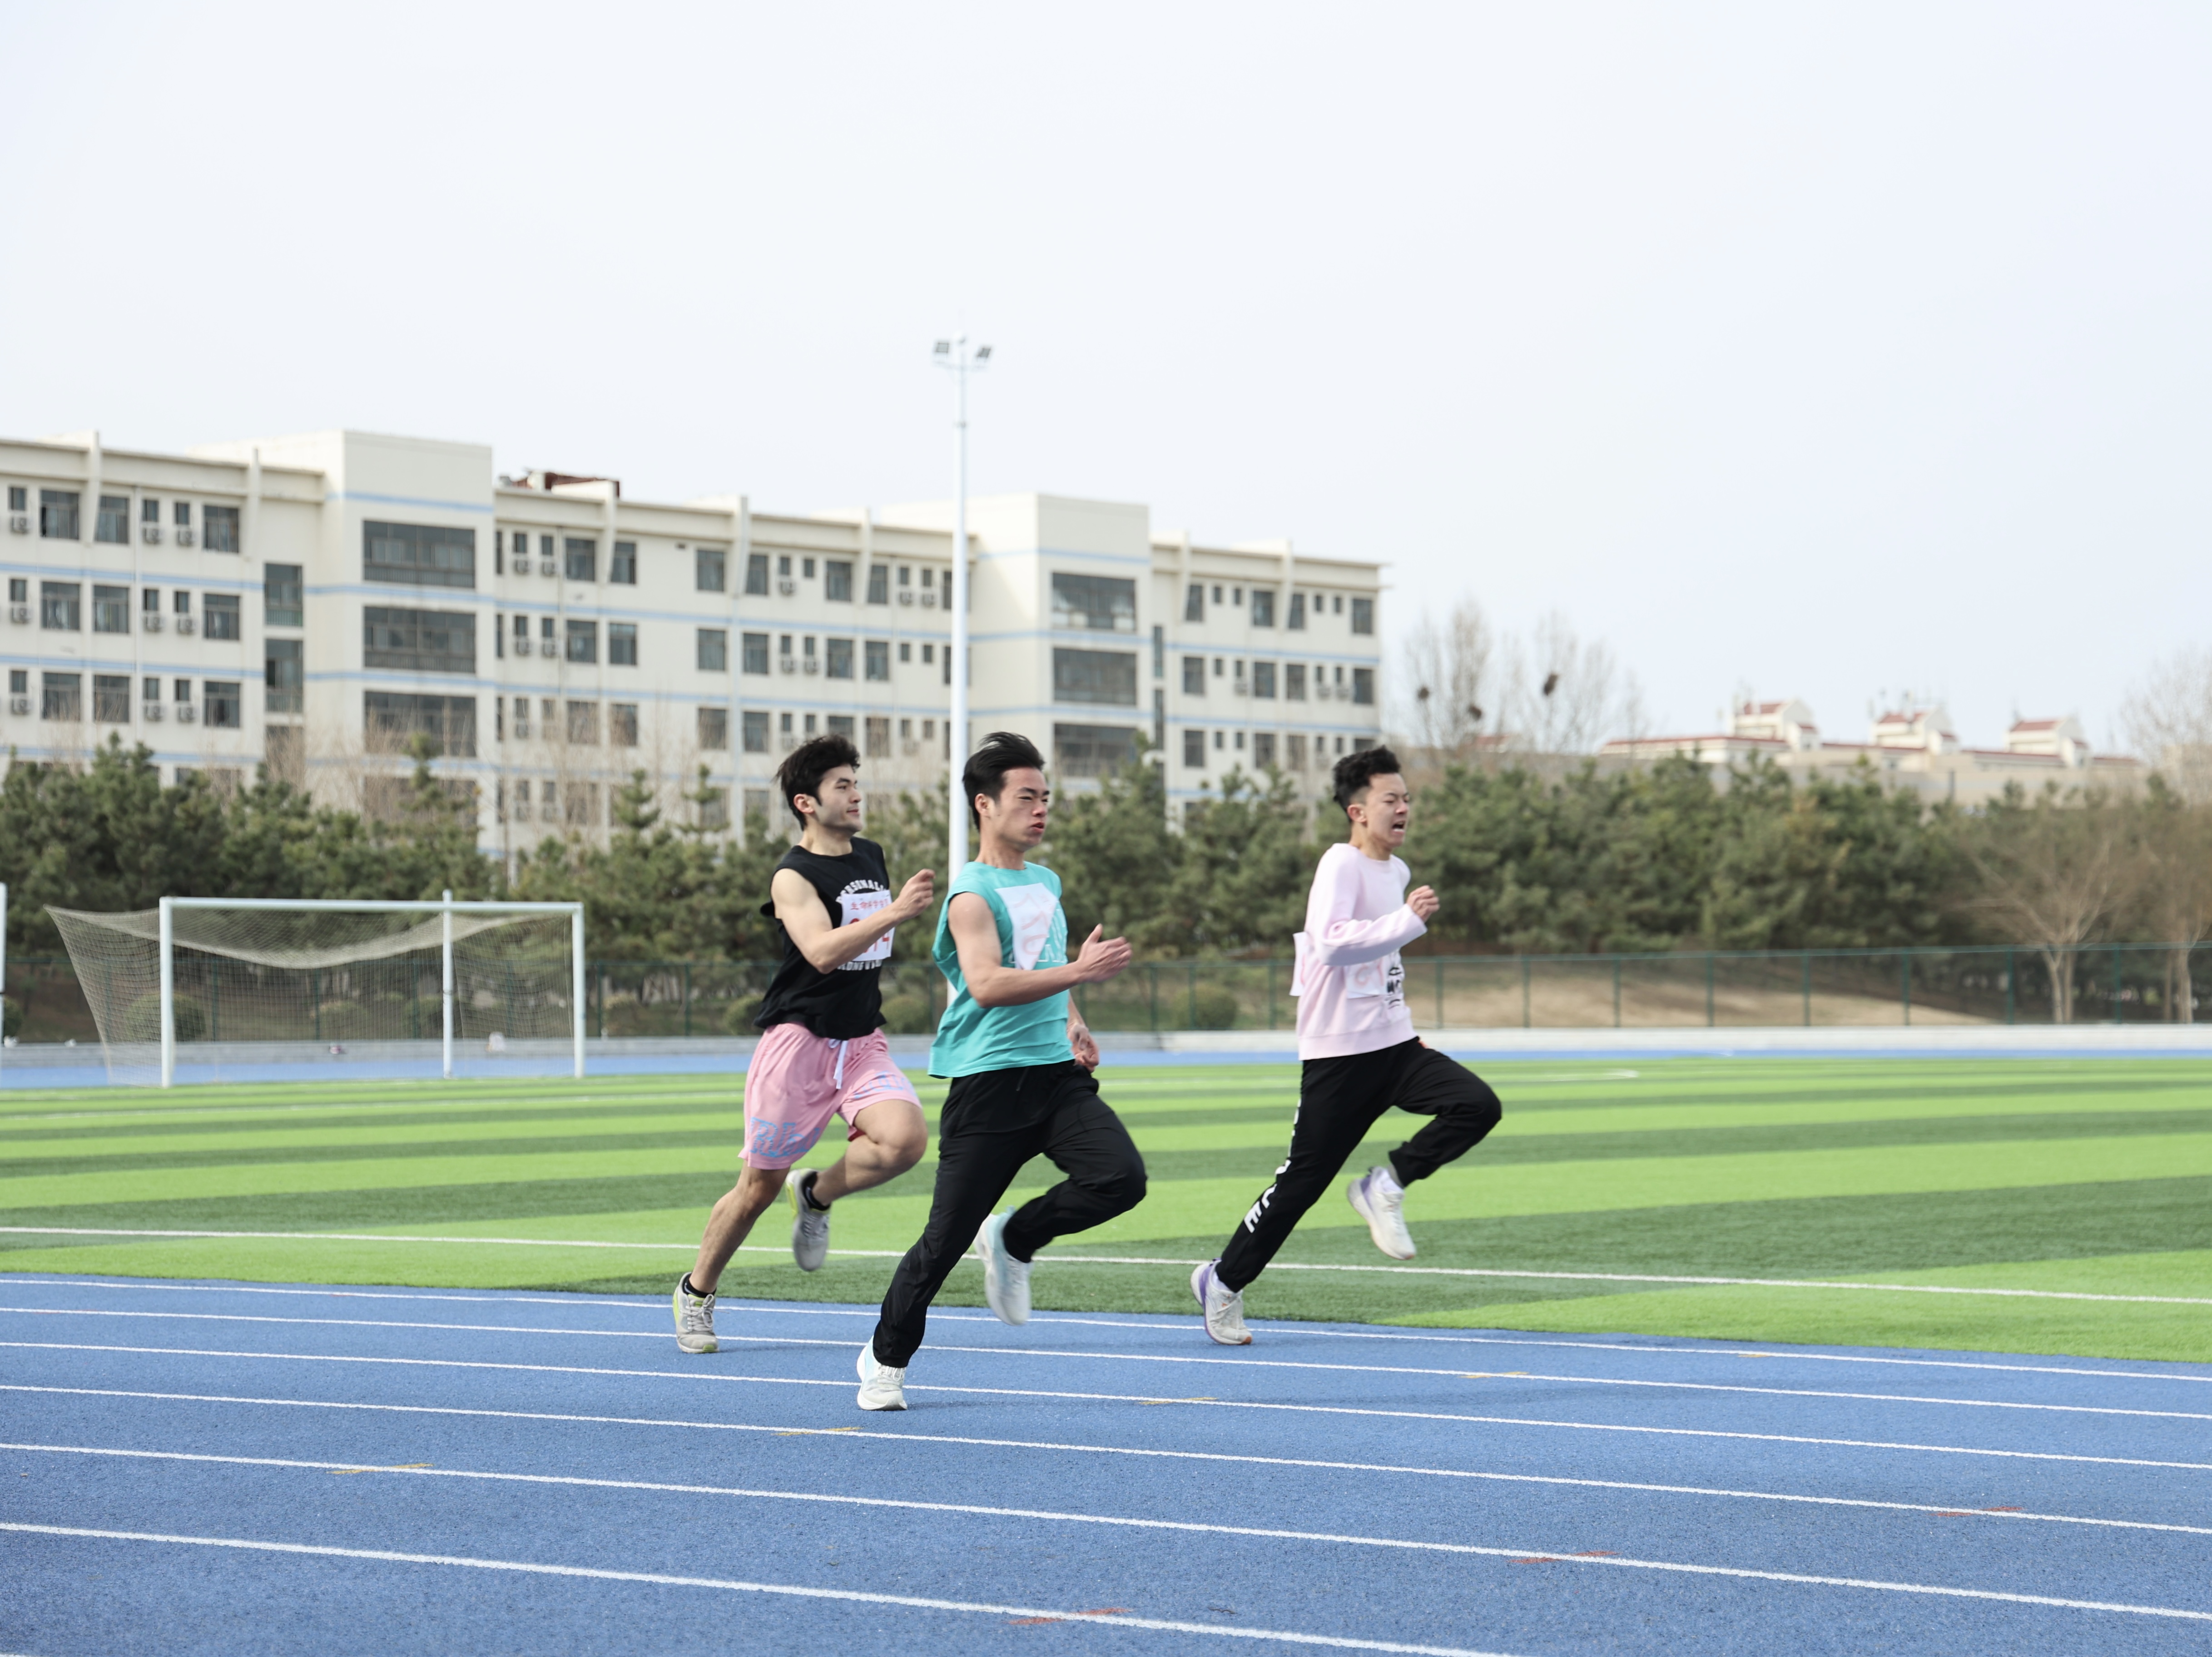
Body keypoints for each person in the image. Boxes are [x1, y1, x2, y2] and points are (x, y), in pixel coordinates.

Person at [855, 730, 1146, 1410]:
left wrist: (1073, 1015)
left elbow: (1044, 960)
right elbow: (986, 983)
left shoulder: (1045, 881)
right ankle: (885, 1357)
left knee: (1120, 1178)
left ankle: (1016, 1236)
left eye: (1045, 798)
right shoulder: (970, 895)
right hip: (988, 1085)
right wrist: (1078, 971)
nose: (1040, 809)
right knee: (942, 1242)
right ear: (985, 805)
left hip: (1053, 1076)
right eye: (1026, 798)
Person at [1191, 744, 1503, 1345]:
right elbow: (1331, 942)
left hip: (1394, 1045)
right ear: (1358, 811)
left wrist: (1400, 1015)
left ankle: (1385, 1184)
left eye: (1407, 798)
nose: (1403, 808)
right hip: (1337, 1056)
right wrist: (1408, 922)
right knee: (1299, 1187)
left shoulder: (1399, 873)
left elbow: (1380, 962)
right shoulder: (1339, 864)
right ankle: (1222, 1282)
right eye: (1391, 800)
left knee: (1477, 1105)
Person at [673, 734, 935, 1354]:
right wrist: (895, 913)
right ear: (806, 803)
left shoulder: (870, 854)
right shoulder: (792, 876)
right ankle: (696, 1291)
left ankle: (817, 1194)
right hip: (798, 1047)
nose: (855, 794)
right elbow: (819, 953)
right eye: (841, 785)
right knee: (757, 1189)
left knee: (904, 1141)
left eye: (855, 782)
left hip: (862, 1041)